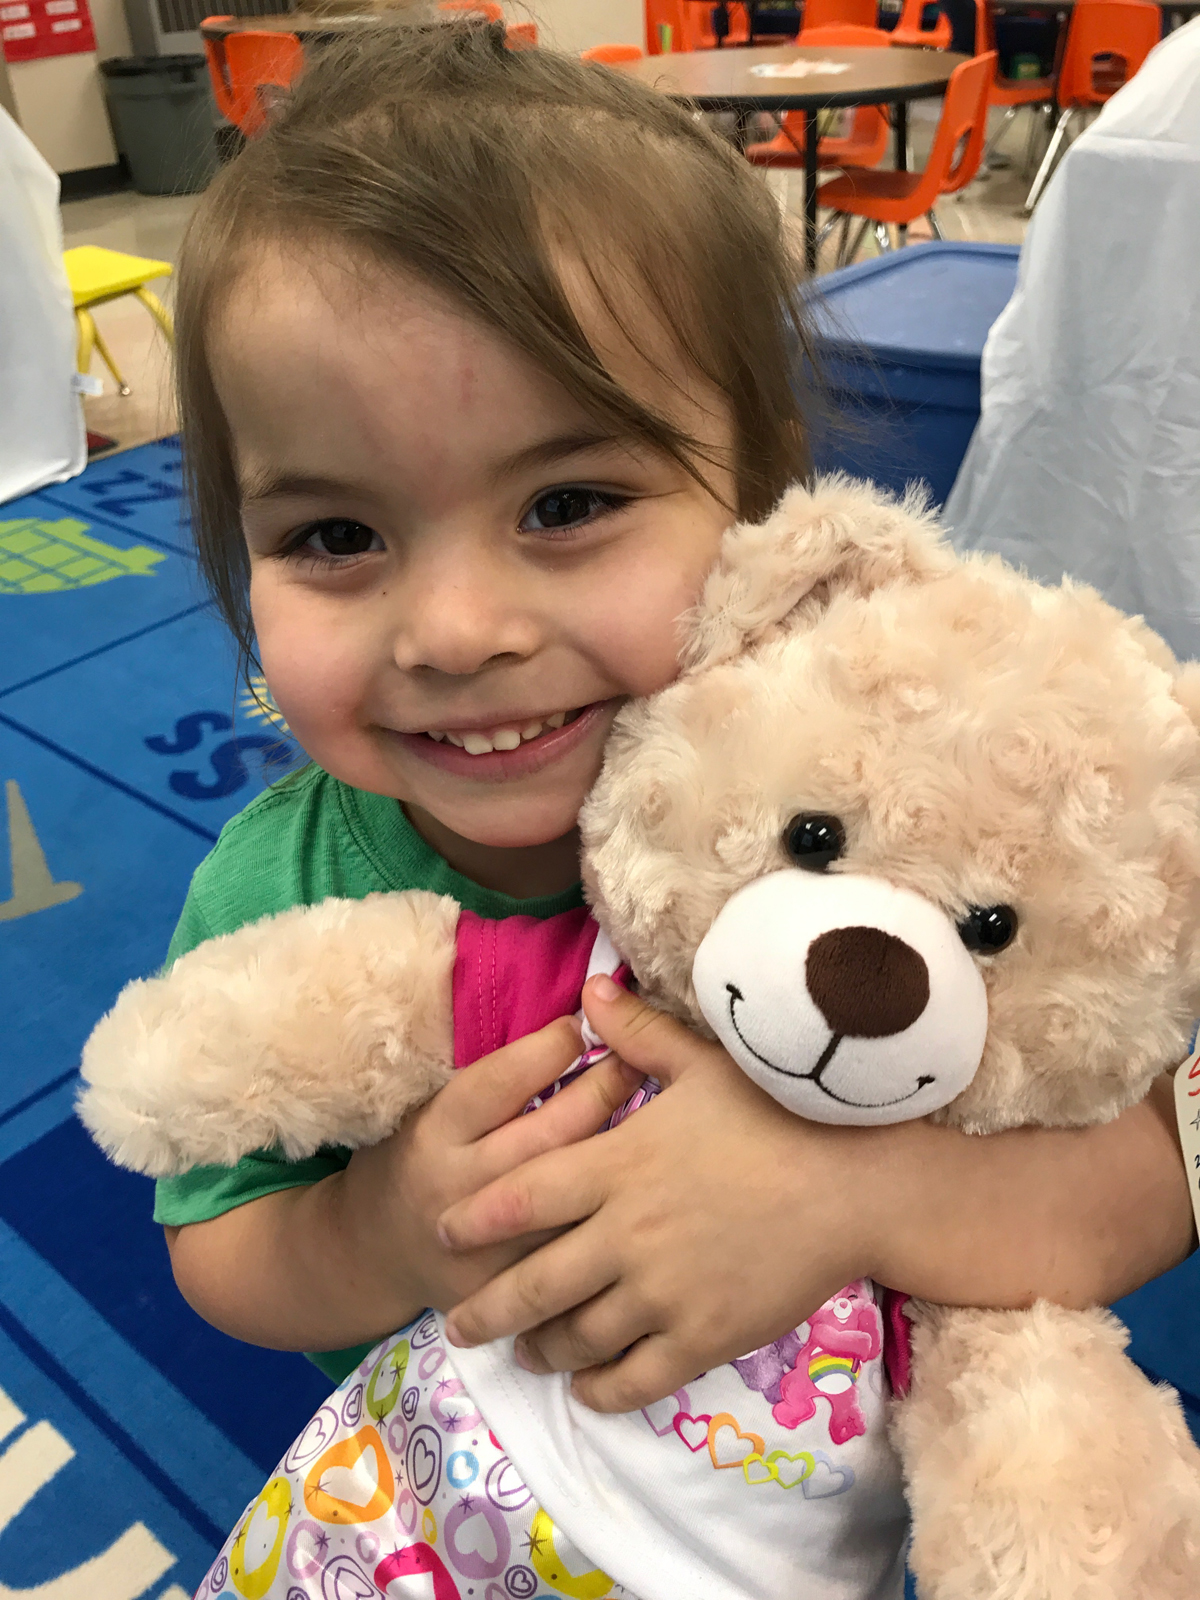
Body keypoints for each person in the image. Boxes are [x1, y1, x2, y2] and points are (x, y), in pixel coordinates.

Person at [153, 20, 1193, 1596]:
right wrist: (381, 1230)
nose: (453, 630)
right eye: (334, 535)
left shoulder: (885, 792)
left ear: (767, 516)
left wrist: (859, 1187)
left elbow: (1157, 1166)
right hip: (432, 1511)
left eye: (567, 506)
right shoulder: (286, 884)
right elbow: (217, 1242)